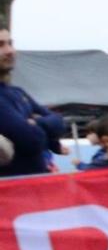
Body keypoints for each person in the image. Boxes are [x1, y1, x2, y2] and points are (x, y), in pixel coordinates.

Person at [0, 27, 72, 177]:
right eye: (1, 45)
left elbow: (59, 122)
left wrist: (37, 124)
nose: (10, 51)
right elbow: (32, 141)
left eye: (10, 43)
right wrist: (44, 130)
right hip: (11, 192)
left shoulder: (17, 92)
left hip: (35, 186)